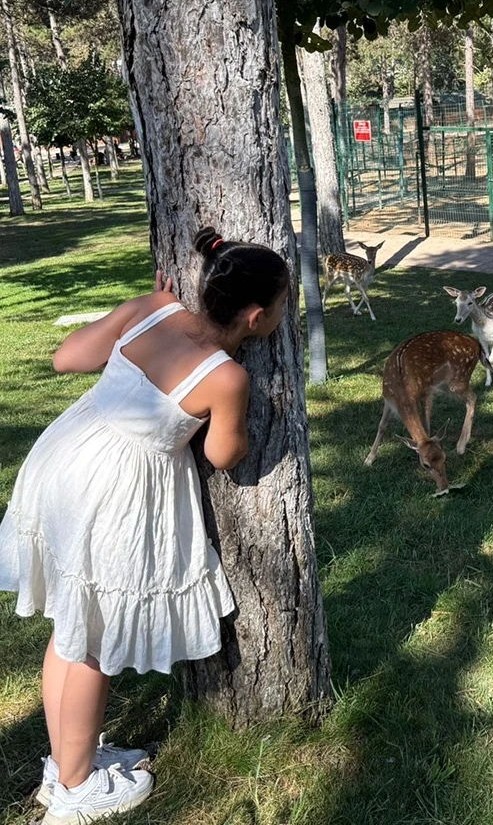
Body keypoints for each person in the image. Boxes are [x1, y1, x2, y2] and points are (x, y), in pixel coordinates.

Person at [0, 227, 289, 824]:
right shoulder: (227, 376)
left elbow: (67, 357)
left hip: (67, 459)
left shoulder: (151, 310)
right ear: (257, 317)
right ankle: (76, 792)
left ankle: (65, 764)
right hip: (117, 495)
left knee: (71, 626)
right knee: (92, 641)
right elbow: (222, 455)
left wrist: (139, 309)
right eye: (285, 306)